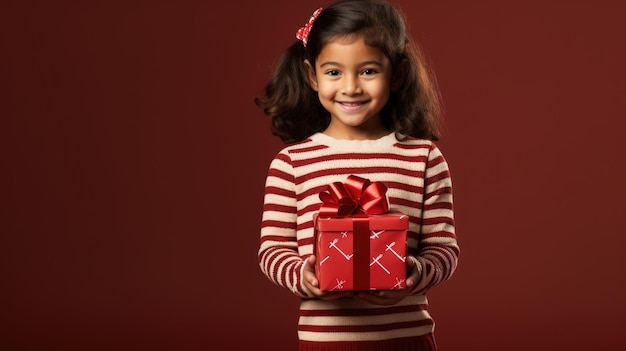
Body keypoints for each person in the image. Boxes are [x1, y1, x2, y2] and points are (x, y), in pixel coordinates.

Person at [255, 0, 459, 350]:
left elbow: (444, 250)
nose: (351, 87)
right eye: (334, 72)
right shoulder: (291, 163)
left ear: (396, 74)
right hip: (325, 341)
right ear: (311, 75)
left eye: (368, 71)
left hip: (406, 338)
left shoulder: (423, 157)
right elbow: (272, 251)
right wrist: (303, 275)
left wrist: (414, 273)